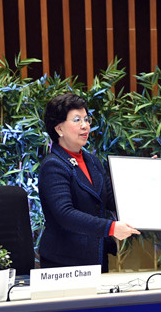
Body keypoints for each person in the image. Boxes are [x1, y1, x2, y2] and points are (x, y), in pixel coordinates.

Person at [38, 93, 140, 271]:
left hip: (96, 256)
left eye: (86, 119)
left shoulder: (92, 161)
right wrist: (110, 227)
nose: (85, 126)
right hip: (65, 262)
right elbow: (65, 214)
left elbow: (112, 200)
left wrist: (143, 180)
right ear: (59, 128)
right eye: (77, 120)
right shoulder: (53, 165)